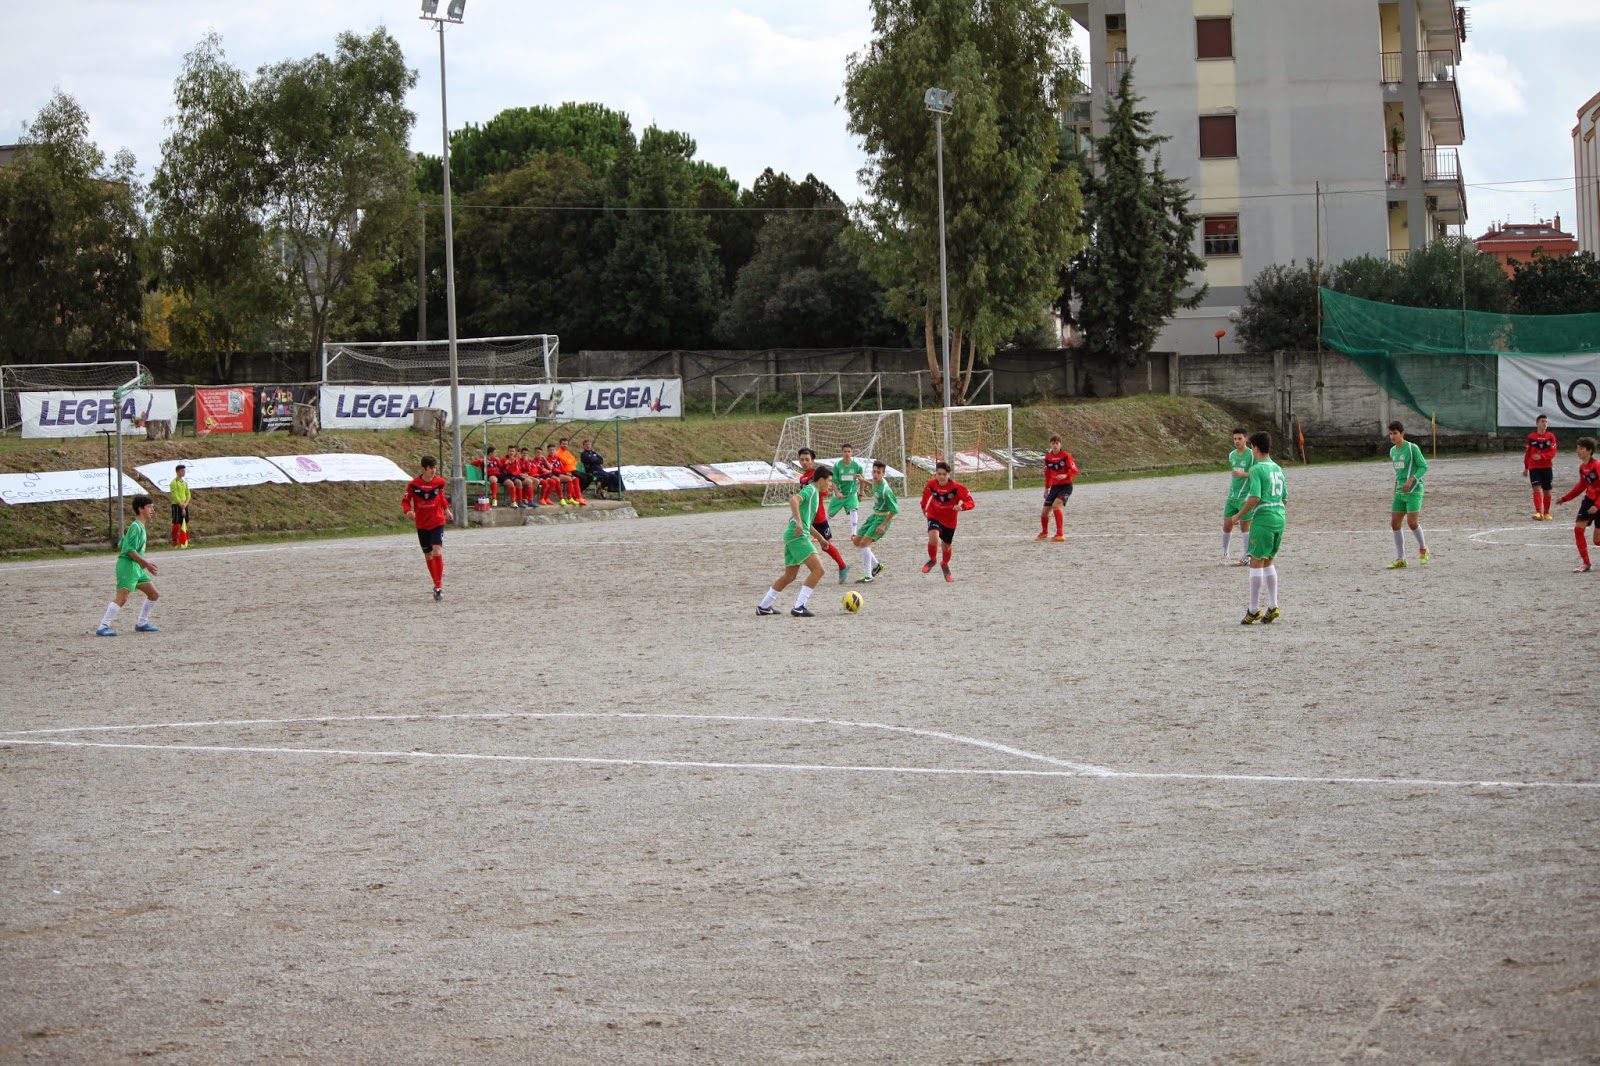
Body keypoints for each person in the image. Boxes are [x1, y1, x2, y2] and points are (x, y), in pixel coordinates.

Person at [758, 465, 833, 617]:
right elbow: (793, 500)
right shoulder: (811, 490)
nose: (830, 485)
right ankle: (799, 607)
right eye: (829, 481)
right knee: (819, 570)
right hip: (797, 535)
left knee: (790, 576)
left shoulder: (816, 494)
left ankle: (764, 606)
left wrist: (820, 538)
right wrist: (798, 522)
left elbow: (807, 523)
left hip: (793, 534)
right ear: (821, 480)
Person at [1235, 432, 1287, 625]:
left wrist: (1238, 516)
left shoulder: (1257, 469)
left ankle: (1253, 609)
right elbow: (1285, 498)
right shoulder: (1278, 468)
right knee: (1268, 561)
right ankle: (1273, 605)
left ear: (1255, 448)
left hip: (1264, 519)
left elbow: (1255, 497)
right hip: (1280, 517)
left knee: (1256, 563)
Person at [96, 495, 161, 636]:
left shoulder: (139, 526)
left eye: (152, 507)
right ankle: (103, 626)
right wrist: (146, 564)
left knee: (153, 594)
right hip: (128, 565)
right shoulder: (135, 527)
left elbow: (122, 544)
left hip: (136, 566)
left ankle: (142, 623)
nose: (152, 510)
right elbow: (129, 550)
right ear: (140, 509)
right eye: (149, 507)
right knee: (122, 598)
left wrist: (141, 563)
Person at [402, 455, 453, 600]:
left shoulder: (439, 482)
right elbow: (405, 501)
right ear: (423, 469)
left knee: (437, 551)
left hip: (437, 521)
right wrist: (408, 511)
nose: (433, 471)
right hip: (422, 524)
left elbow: (441, 496)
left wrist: (446, 509)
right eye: (430, 468)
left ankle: (438, 586)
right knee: (428, 554)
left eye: (435, 468)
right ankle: (435, 583)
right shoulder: (413, 485)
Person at [796, 448, 850, 582]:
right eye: (801, 459)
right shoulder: (802, 478)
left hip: (818, 517)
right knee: (799, 541)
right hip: (807, 516)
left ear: (812, 461)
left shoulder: (817, 475)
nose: (804, 462)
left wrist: (831, 491)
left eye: (807, 460)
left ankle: (843, 566)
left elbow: (826, 488)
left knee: (825, 545)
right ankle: (796, 570)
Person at [920, 460, 975, 582]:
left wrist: (962, 507)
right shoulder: (931, 484)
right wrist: (924, 508)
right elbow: (925, 497)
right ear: (936, 474)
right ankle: (933, 559)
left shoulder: (957, 488)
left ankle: (944, 564)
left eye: (944, 474)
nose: (941, 476)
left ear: (949, 474)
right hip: (934, 515)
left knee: (946, 546)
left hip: (949, 520)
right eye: (939, 474)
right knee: (933, 536)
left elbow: (971, 502)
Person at [1386, 420, 1430, 569]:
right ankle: (1401, 558)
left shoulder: (1412, 448)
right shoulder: (1392, 451)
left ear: (1402, 434)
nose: (1392, 436)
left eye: (1395, 433)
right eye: (1390, 433)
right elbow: (1398, 473)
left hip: (1414, 490)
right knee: (1394, 523)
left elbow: (1424, 467)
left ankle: (1423, 549)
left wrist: (1411, 480)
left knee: (1412, 523)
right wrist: (1395, 488)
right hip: (1400, 492)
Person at [1556, 435, 1599, 573]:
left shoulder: (1597, 466)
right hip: (1588, 501)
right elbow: (1581, 486)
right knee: (1578, 530)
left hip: (1599, 502)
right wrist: (1565, 498)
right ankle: (1586, 564)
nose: (1577, 450)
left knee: (1597, 541)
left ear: (1589, 450)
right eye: (1577, 447)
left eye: (1580, 448)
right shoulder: (1582, 467)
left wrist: (1597, 505)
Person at [850, 460, 897, 582]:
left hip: (882, 518)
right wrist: (863, 481)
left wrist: (883, 525)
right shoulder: (876, 482)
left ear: (883, 474)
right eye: (874, 471)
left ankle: (868, 575)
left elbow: (894, 510)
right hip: (874, 516)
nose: (875, 474)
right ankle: (876, 566)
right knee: (856, 541)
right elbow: (873, 486)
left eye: (878, 472)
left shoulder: (886, 491)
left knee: (865, 544)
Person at [1036, 435, 1078, 542]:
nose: (1055, 445)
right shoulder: (1048, 457)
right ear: (1050, 444)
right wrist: (1046, 489)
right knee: (1044, 512)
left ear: (1060, 445)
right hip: (1054, 487)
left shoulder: (1066, 456)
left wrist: (1065, 475)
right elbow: (1048, 475)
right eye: (1053, 443)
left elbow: (1075, 470)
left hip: (1066, 486)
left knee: (1056, 505)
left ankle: (1060, 534)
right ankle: (1044, 533)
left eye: (1057, 443)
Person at [1222, 428, 1254, 565]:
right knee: (1227, 524)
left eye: (1239, 438)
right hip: (1232, 496)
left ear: (1246, 438)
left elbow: (1257, 473)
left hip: (1245, 497)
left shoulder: (1252, 455)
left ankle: (1247, 555)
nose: (1237, 441)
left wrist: (1243, 475)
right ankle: (1225, 554)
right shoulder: (1231, 455)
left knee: (1244, 526)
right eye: (1235, 439)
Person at [1524, 414, 1558, 521]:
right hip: (1534, 467)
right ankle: (1538, 512)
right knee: (1536, 488)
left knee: (1547, 490)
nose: (1544, 423)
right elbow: (1528, 453)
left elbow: (1553, 452)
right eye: (1542, 421)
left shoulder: (1550, 436)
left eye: (1546, 422)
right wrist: (1526, 467)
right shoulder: (1531, 437)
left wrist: (1542, 456)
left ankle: (1547, 513)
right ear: (1537, 423)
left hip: (1547, 467)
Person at [828, 444, 866, 535]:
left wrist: (861, 493)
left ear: (852, 453)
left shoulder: (857, 466)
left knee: (854, 510)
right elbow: (833, 481)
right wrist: (837, 492)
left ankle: (854, 534)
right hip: (839, 495)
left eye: (849, 451)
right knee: (829, 515)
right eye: (845, 451)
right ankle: (821, 533)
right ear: (842, 452)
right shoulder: (837, 466)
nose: (847, 453)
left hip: (851, 494)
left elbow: (862, 480)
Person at [556, 437, 587, 506]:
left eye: (566, 444)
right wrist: (570, 461)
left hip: (572, 469)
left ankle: (577, 496)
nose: (565, 445)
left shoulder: (567, 452)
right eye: (563, 444)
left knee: (587, 477)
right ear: (560, 444)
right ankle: (575, 496)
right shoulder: (558, 453)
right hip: (566, 471)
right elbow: (565, 462)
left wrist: (569, 461)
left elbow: (574, 460)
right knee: (579, 478)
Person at [169, 464, 192, 548]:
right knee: (176, 523)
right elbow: (174, 495)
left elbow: (188, 494)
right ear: (178, 472)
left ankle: (184, 541)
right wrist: (181, 505)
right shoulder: (173, 483)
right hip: (176, 505)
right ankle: (174, 542)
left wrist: (185, 504)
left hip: (184, 505)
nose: (184, 472)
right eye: (182, 470)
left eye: (184, 470)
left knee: (185, 522)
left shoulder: (185, 483)